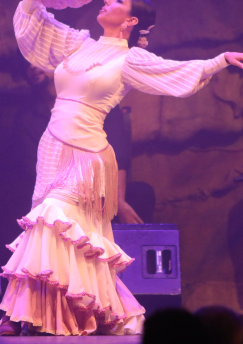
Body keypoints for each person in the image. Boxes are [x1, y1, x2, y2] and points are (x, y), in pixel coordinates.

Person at [0, 0, 243, 336]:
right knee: (53, 228)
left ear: (130, 20)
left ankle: (19, 313)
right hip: (52, 145)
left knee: (55, 215)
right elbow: (31, 17)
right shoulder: (77, 44)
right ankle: (43, 314)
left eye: (117, 0)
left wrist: (219, 60)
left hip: (89, 154)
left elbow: (176, 70)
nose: (107, 0)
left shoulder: (129, 59)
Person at [10, 56, 151, 225]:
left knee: (142, 194)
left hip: (100, 188)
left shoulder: (98, 99)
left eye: (38, 58)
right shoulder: (27, 117)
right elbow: (33, 168)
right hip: (56, 192)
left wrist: (117, 202)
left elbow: (117, 157)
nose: (32, 67)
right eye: (26, 63)